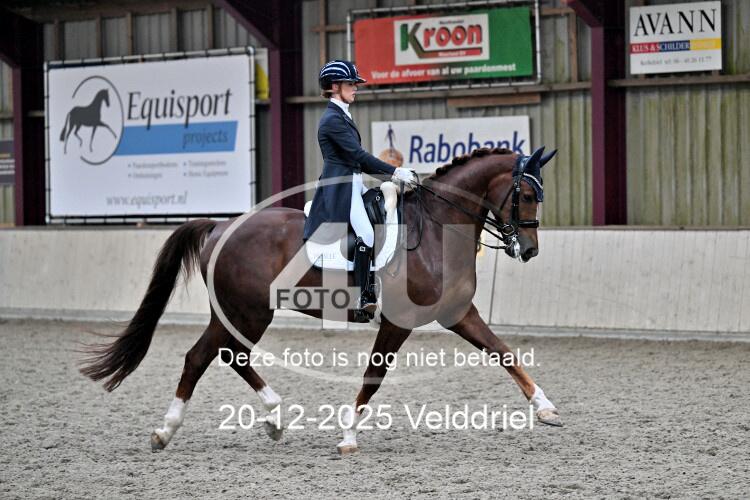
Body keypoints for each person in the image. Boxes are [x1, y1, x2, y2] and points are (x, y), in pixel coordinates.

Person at [302, 59, 416, 319]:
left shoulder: (343, 115)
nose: (355, 88)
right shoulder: (332, 120)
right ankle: (364, 297)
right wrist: (395, 172)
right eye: (351, 84)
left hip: (353, 182)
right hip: (341, 188)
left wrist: (392, 177)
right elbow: (358, 156)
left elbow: (358, 162)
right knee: (366, 233)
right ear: (334, 86)